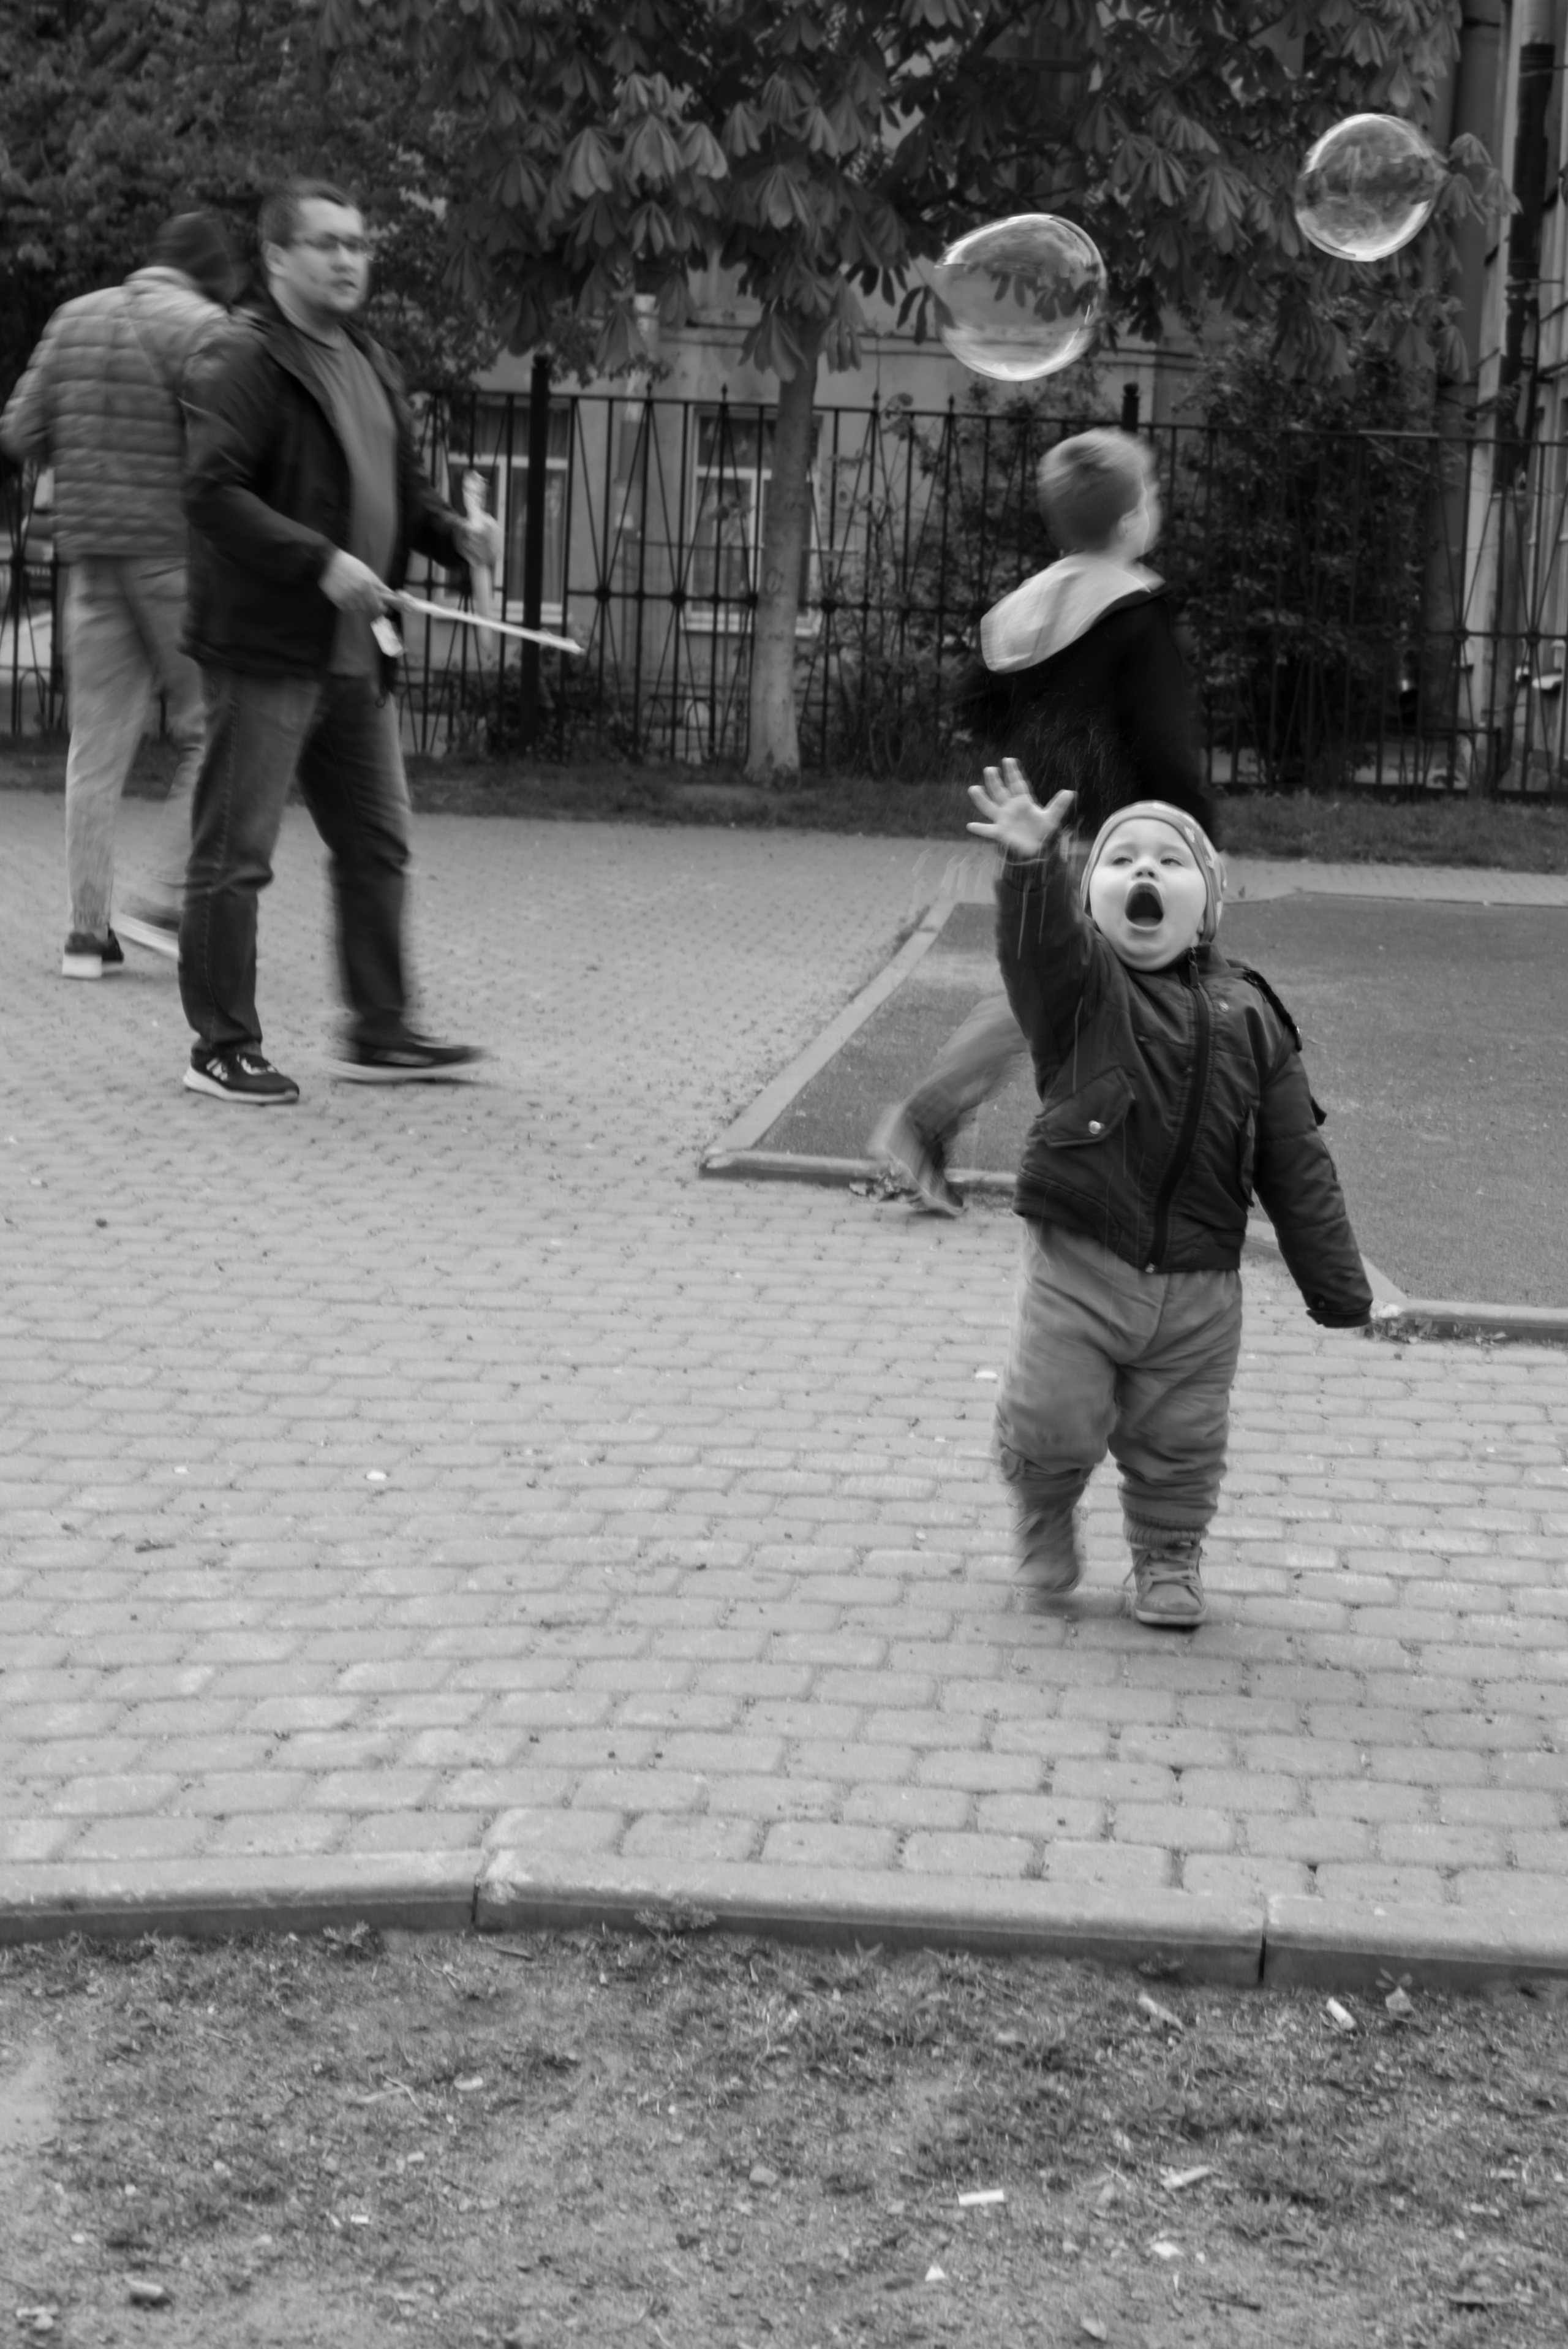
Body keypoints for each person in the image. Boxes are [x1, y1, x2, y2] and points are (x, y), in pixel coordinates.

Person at [966, 762, 1371, 1630]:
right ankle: (1043, 1511)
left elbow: (1296, 1159)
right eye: (1121, 860)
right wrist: (1035, 867)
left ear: (1210, 902)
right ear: (1090, 898)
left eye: (1169, 861)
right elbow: (1034, 953)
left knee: (1182, 1440)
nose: (1144, 872)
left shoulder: (1252, 1015)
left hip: (1199, 1284)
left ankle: (1168, 1553)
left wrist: (1335, 1282)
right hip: (1080, 1263)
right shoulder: (1080, 992)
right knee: (1051, 1414)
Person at [176, 177, 500, 1103]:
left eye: (359, 243)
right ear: (277, 257)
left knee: (377, 845)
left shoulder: (369, 356)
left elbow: (398, 486)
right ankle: (222, 1046)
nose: (350, 259)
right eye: (327, 243)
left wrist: (456, 536)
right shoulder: (240, 357)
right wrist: (320, 561)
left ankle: (379, 1030)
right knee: (235, 855)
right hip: (270, 648)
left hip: (357, 656)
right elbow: (211, 491)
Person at [870, 426, 1216, 1215]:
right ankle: (947, 1128)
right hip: (1121, 847)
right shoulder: (1135, 615)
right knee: (1129, 997)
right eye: (1152, 493)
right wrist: (1195, 838)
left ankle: (938, 1127)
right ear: (1130, 524)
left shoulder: (1030, 608)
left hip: (1037, 832)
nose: (1156, 505)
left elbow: (974, 701)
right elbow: (1164, 745)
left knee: (1048, 989)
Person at [1, 213, 237, 979]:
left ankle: (85, 934)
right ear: (213, 273)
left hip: (92, 558)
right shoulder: (207, 326)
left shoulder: (74, 317)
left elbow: (17, 432)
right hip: (176, 559)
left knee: (93, 754)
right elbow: (229, 446)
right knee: (216, 731)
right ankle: (164, 899)